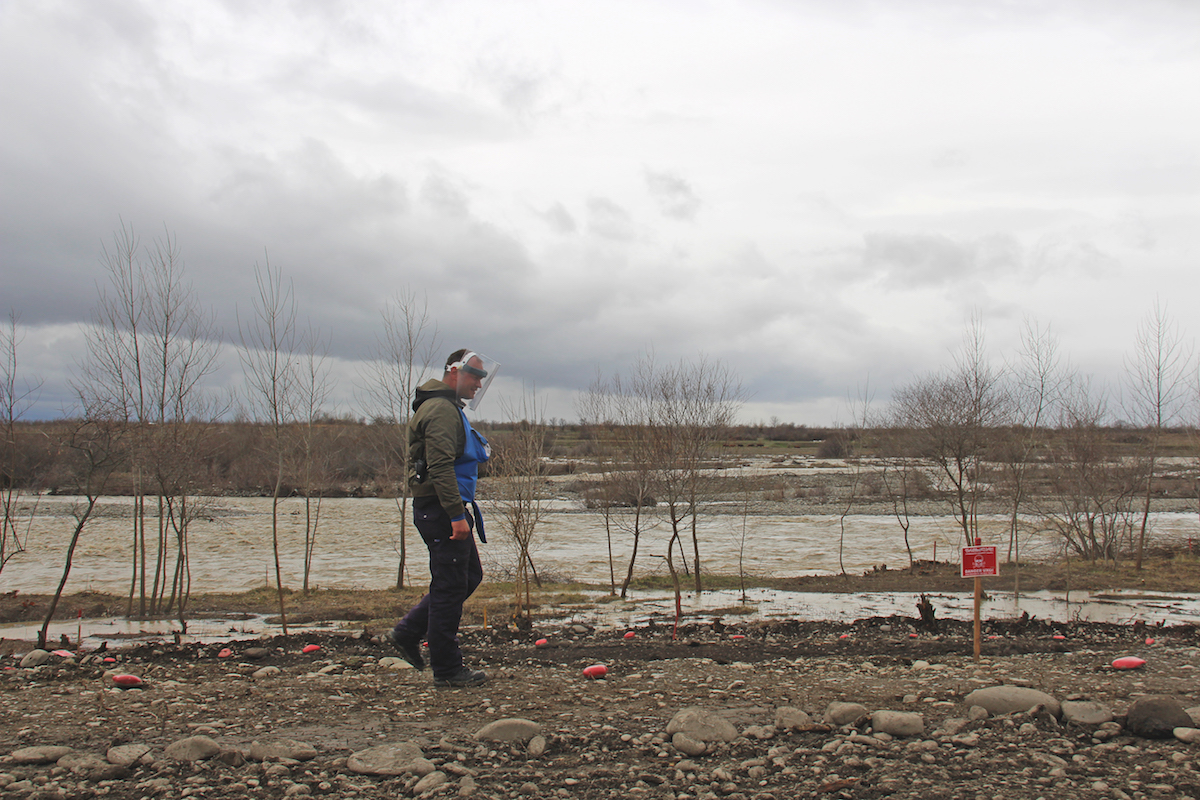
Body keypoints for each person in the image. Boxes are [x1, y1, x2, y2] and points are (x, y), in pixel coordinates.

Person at [387, 349, 497, 688]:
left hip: (443, 506)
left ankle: (407, 633)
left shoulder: (446, 407)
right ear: (454, 372)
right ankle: (448, 670)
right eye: (475, 375)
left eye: (482, 377)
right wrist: (455, 515)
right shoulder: (440, 409)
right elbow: (439, 467)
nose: (479, 383)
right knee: (450, 586)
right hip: (440, 507)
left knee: (467, 577)